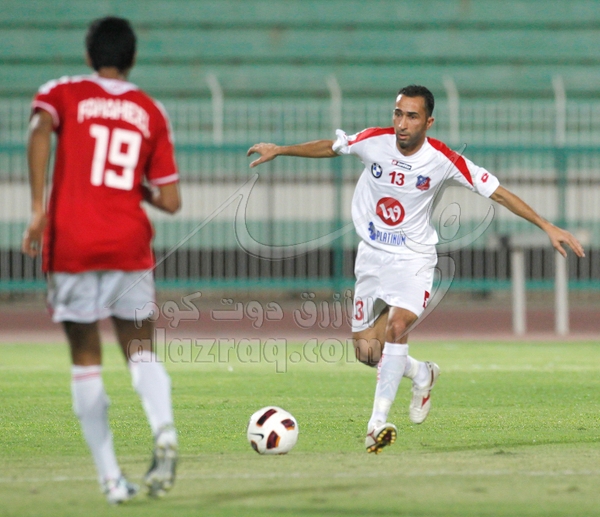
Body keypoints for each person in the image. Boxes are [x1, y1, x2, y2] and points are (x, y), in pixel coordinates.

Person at [247, 84, 585, 454]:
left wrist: (546, 225)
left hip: (413, 259)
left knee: (398, 326)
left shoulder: (443, 159)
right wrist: (280, 149)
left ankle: (376, 424)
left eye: (412, 116)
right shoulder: (374, 141)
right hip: (371, 256)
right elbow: (332, 146)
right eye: (398, 114)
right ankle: (422, 373)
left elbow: (498, 192)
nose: (402, 123)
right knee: (367, 352)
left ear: (428, 121)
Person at [22, 17, 181, 502]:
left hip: (72, 241)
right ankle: (165, 428)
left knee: (86, 361)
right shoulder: (150, 110)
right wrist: (136, 187)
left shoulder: (63, 92)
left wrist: (37, 209)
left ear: (89, 55)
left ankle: (112, 480)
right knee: (141, 350)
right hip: (127, 241)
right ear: (133, 58)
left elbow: (39, 127)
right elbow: (171, 200)